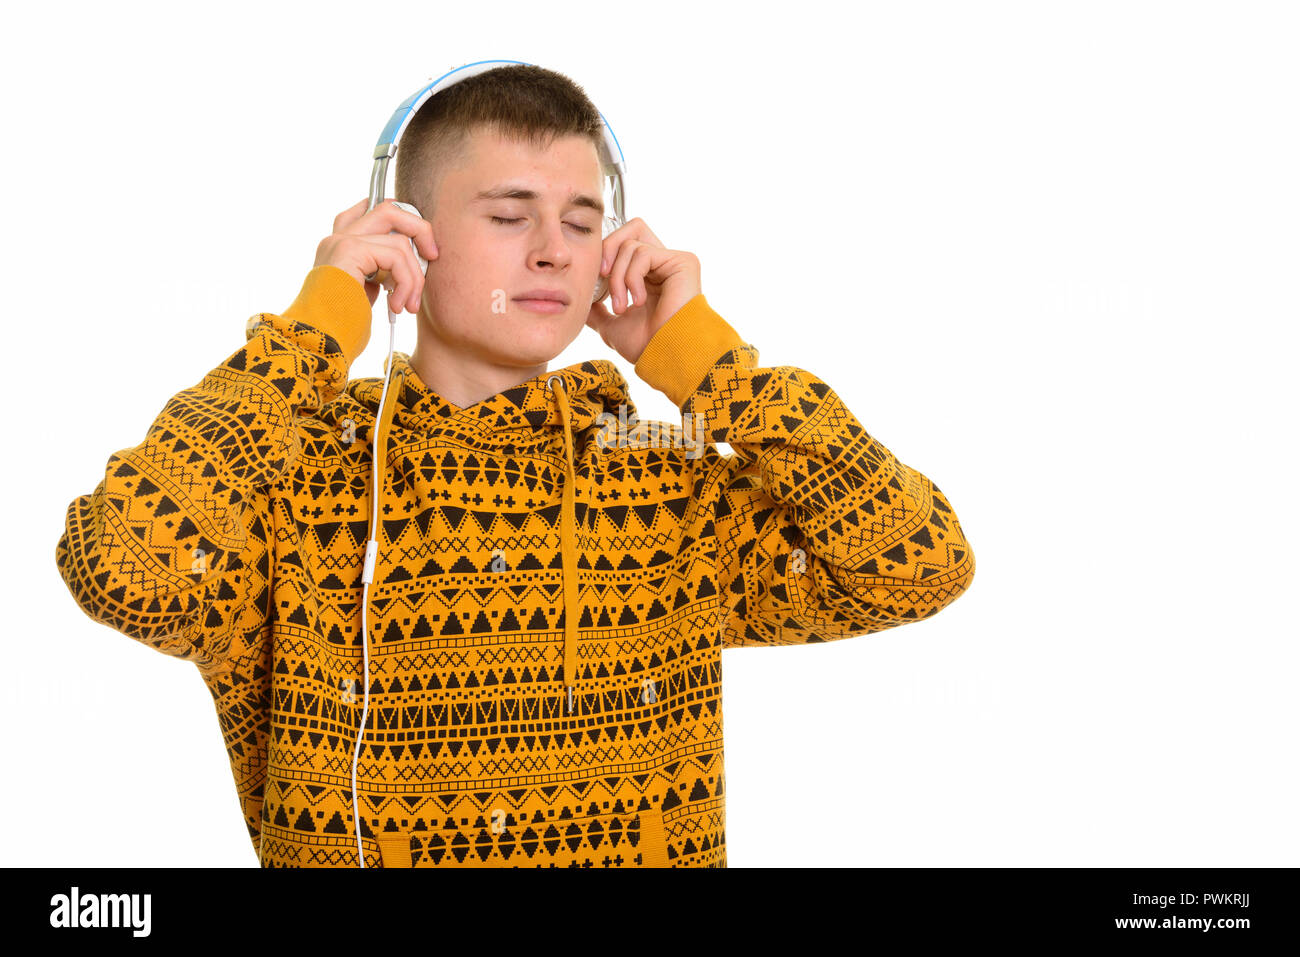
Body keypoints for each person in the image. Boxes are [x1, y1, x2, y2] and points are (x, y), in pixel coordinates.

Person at [54, 64, 976, 867]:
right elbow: (122, 573)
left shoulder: (654, 464)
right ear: (406, 236)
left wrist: (712, 368)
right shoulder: (291, 474)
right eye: (509, 214)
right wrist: (309, 334)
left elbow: (918, 562)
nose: (552, 251)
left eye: (582, 223)